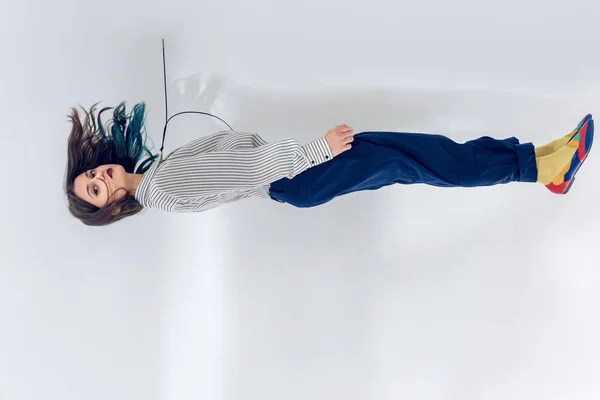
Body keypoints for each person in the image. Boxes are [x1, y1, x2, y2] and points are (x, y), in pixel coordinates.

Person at [64, 101, 594, 227]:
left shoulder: (156, 174)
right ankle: (546, 169)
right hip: (298, 172)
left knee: (424, 152)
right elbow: (250, 172)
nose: (98, 178)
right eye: (94, 190)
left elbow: (239, 151)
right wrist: (315, 150)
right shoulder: (161, 189)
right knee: (422, 162)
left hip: (296, 170)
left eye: (90, 174)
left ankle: (541, 159)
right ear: (112, 209)